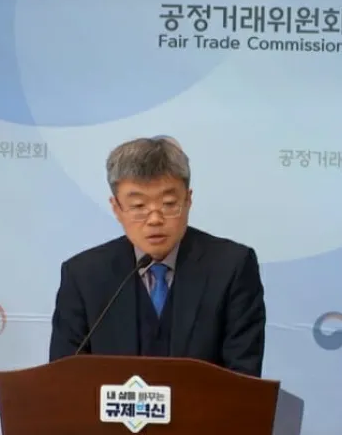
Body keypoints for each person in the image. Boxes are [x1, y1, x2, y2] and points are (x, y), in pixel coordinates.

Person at [49, 136, 266, 377]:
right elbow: (64, 378)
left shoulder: (231, 267)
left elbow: (243, 377)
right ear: (116, 208)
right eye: (139, 206)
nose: (154, 219)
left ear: (188, 200)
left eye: (168, 204)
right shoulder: (84, 275)